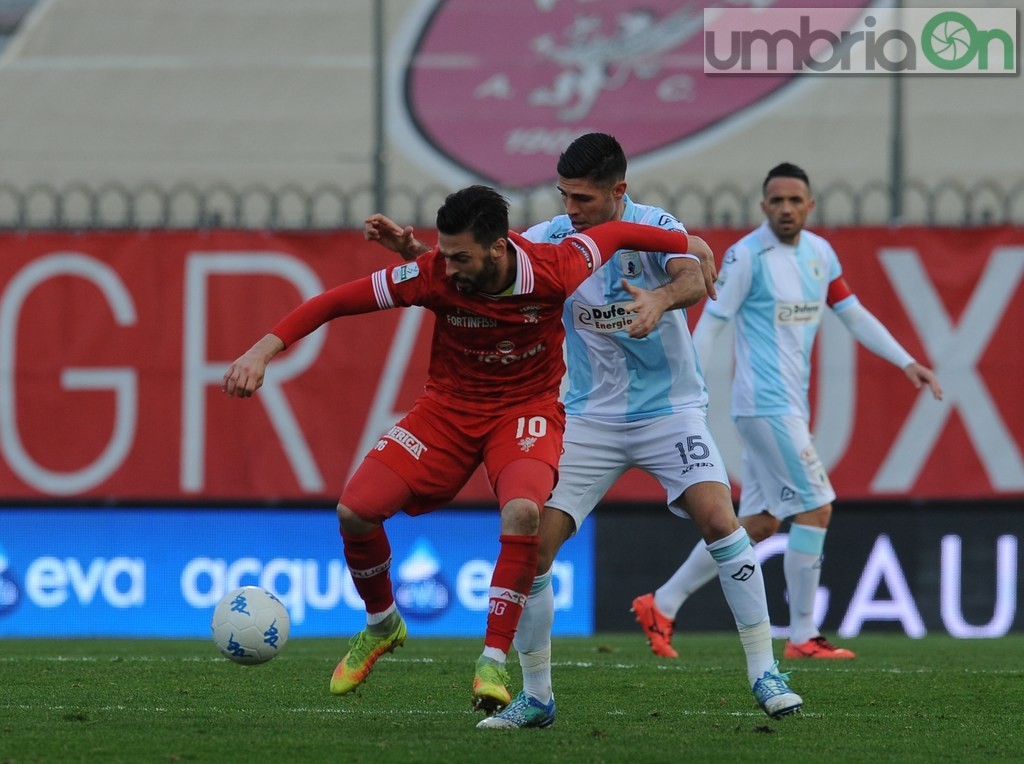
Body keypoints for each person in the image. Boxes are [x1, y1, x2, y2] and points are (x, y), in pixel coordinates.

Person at [364, 133, 804, 730]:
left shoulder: (652, 224)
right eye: (565, 196)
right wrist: (415, 250)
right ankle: (537, 696)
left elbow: (695, 274)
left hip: (668, 411)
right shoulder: (550, 239)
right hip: (586, 416)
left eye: (584, 199)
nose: (571, 210)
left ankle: (764, 671)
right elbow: (480, 266)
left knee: (721, 519)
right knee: (534, 546)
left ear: (619, 192)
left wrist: (660, 301)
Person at [224, 184, 711, 717]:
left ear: (498, 249)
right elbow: (335, 301)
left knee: (525, 511)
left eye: (460, 257)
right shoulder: (433, 273)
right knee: (355, 511)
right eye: (443, 254)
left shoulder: (555, 266)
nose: (446, 267)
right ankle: (382, 623)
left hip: (525, 412)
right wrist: (262, 350)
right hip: (448, 411)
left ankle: (492, 662)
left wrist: (689, 244)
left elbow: (621, 233)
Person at [632, 162, 944, 662]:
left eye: (794, 200)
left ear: (810, 206)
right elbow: (712, 321)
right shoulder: (747, 256)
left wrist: (906, 361)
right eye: (776, 201)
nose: (785, 209)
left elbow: (852, 312)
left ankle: (661, 603)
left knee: (758, 522)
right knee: (817, 507)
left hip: (788, 405)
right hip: (764, 406)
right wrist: (686, 386)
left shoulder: (821, 253)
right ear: (763, 207)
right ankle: (802, 635)